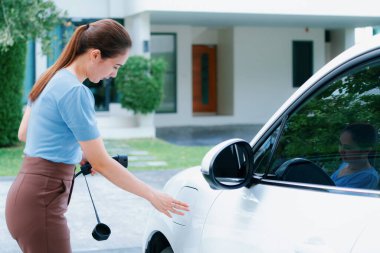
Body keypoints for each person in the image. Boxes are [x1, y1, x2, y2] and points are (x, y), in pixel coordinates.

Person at [5, 19, 189, 253]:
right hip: (41, 204)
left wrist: (77, 154)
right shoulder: (75, 92)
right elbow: (102, 163)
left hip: (23, 199)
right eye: (115, 66)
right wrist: (153, 195)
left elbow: (25, 133)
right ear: (95, 55)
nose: (113, 75)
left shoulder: (51, 77)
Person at [331, 123, 379, 189]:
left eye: (347, 148)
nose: (340, 150)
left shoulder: (367, 177)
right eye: (340, 144)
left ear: (365, 151)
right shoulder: (346, 164)